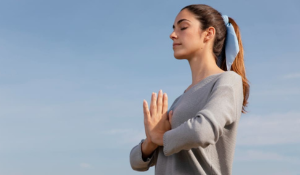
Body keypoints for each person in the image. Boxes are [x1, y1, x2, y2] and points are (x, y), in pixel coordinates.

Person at [129, 4, 250, 175]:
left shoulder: (228, 81)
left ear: (208, 34)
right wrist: (151, 141)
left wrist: (161, 138)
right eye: (173, 29)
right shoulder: (180, 101)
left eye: (183, 27)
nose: (172, 35)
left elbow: (202, 131)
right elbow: (136, 162)